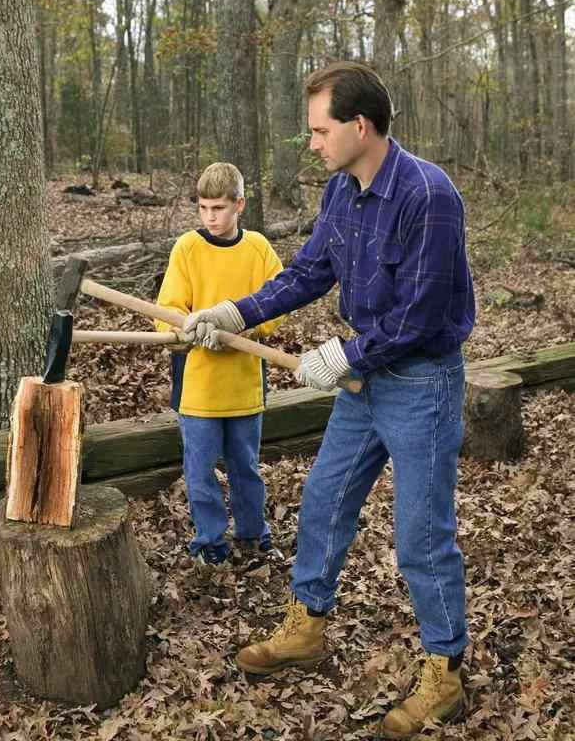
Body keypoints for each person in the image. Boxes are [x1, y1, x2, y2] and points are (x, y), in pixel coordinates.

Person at [182, 61, 475, 739]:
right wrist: (234, 313)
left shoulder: (428, 195)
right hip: (364, 383)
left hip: (421, 382)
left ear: (360, 126)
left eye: (320, 130)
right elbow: (310, 272)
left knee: (421, 537)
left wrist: (344, 354)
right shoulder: (342, 194)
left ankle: (445, 669)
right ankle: (306, 626)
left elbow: (423, 316)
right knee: (324, 501)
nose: (312, 143)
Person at [156, 162, 284, 566]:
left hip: (244, 383)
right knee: (200, 471)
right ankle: (210, 541)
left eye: (219, 208)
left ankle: (252, 534)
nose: (210, 216)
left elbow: (279, 299)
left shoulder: (258, 249)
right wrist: (185, 329)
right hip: (198, 386)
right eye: (203, 207)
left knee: (246, 467)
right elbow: (168, 309)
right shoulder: (188, 248)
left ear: (239, 205)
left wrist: (250, 329)